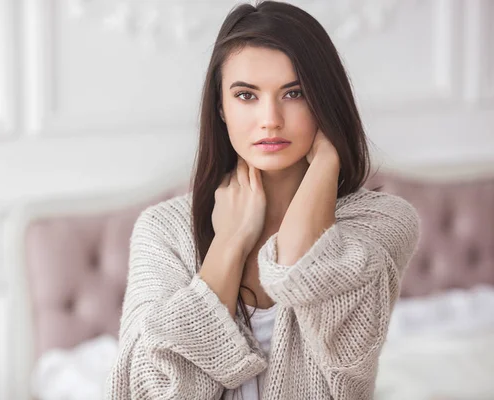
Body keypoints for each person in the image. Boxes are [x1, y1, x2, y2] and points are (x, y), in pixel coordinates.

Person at [105, 1, 420, 399]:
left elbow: (311, 285)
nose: (270, 118)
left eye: (294, 93)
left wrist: (326, 161)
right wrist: (229, 243)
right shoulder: (163, 230)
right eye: (246, 96)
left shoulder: (383, 221)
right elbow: (144, 390)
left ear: (324, 101)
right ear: (221, 107)